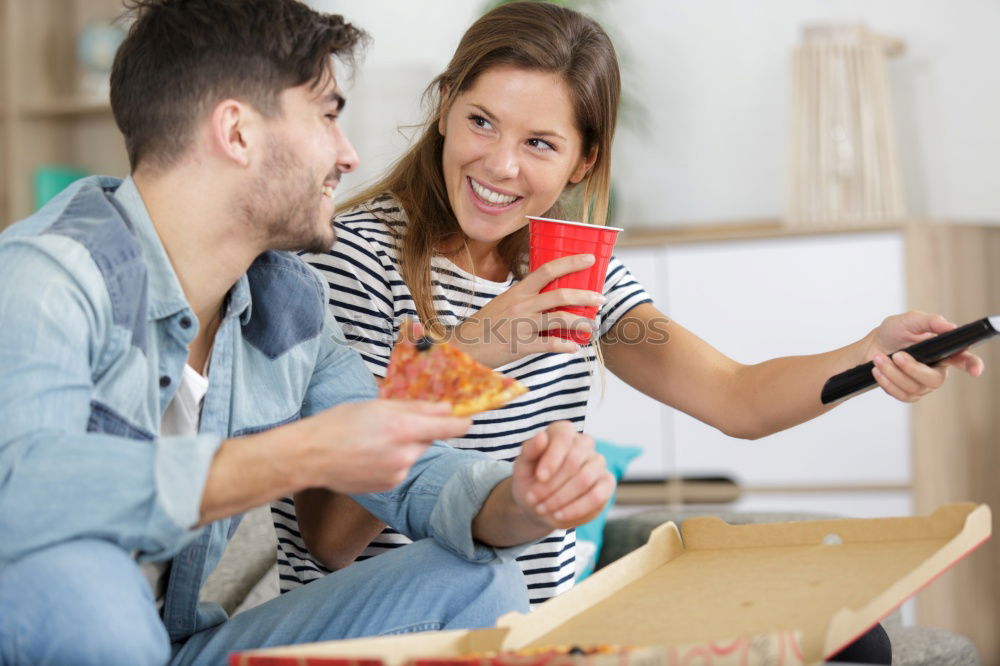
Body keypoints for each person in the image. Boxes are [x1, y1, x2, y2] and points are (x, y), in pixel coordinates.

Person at [276, 2, 985, 661]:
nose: (500, 165)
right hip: (420, 632)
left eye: (541, 143)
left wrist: (866, 354)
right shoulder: (353, 258)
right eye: (481, 122)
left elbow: (737, 397)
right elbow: (333, 537)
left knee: (851, 643)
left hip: (553, 627)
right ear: (444, 111)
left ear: (583, 160)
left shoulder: (572, 267)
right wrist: (469, 353)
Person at [0, 1, 616, 664]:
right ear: (236, 132)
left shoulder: (288, 303)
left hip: (179, 648)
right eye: (327, 115)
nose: (349, 155)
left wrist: (524, 501)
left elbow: (416, 481)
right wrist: (299, 453)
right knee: (88, 591)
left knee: (478, 576)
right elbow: (20, 488)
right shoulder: (52, 275)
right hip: (73, 628)